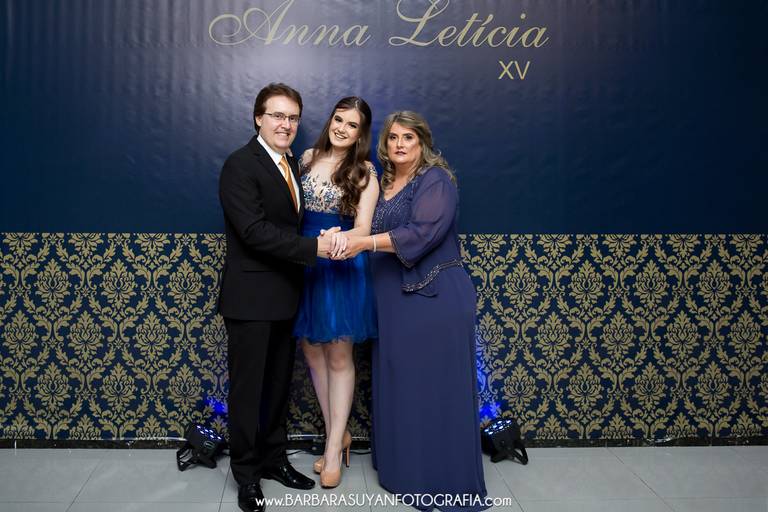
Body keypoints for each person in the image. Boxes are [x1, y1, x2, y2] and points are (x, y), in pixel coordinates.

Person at [336, 111, 488, 511]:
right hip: (392, 302)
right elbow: (364, 228)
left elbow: (420, 234)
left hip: (433, 299)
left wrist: (363, 244)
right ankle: (404, 473)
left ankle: (441, 480)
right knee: (402, 387)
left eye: (408, 137)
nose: (399, 144)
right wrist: (342, 236)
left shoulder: (436, 180)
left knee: (433, 391)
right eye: (393, 138)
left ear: (423, 143)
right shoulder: (384, 183)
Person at [218, 83, 337, 512]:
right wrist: (314, 248)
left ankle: (272, 459)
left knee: (277, 387)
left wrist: (321, 238)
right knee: (248, 392)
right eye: (277, 115)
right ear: (258, 118)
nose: (285, 124)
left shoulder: (289, 164)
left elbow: (288, 224)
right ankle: (246, 475)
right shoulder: (240, 165)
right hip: (250, 299)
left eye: (292, 118)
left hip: (286, 295)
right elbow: (253, 232)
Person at [292, 96, 379, 488]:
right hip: (305, 260)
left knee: (339, 355)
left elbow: (364, 228)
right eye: (339, 119)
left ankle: (331, 453)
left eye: (352, 124)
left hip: (341, 262)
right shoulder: (307, 158)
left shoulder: (364, 171)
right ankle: (337, 436)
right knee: (312, 351)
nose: (342, 128)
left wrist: (341, 236)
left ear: (361, 134)